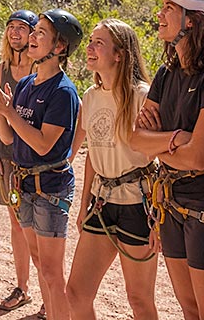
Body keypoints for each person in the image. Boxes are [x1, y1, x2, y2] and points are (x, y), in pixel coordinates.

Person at [130, 0, 204, 320]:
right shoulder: (167, 71)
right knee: (189, 307)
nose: (160, 15)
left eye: (169, 9)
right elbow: (136, 140)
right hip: (172, 200)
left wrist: (161, 140)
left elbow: (201, 156)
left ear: (191, 20)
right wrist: (178, 137)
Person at [0, 9, 83, 320]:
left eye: (40, 33)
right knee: (40, 263)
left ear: (60, 47)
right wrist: (0, 110)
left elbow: (42, 143)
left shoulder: (63, 92)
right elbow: (9, 140)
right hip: (24, 185)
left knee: (52, 273)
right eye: (34, 31)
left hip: (50, 188)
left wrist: (8, 112)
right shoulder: (26, 85)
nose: (32, 38)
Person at [66, 19, 160, 320]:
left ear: (119, 54)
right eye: (90, 41)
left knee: (139, 300)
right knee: (76, 293)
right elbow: (93, 154)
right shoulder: (90, 98)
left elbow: (161, 160)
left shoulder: (144, 96)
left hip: (138, 206)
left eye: (99, 43)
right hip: (101, 204)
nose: (90, 49)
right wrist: (83, 206)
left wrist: (160, 218)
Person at [0, 10, 40, 312]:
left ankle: (50, 295)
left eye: (22, 28)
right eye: (11, 28)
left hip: (33, 158)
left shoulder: (40, 68)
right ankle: (22, 288)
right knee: (17, 225)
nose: (15, 33)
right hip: (6, 159)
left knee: (37, 229)